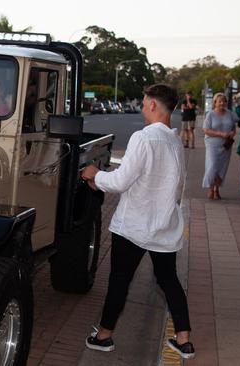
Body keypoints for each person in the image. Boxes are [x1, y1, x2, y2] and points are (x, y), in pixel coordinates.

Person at [81, 84, 194, 359]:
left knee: (120, 281)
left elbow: (120, 181)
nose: (143, 106)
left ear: (154, 104)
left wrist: (95, 174)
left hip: (133, 225)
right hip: (164, 226)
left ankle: (104, 336)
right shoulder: (174, 140)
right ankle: (184, 339)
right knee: (169, 281)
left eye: (145, 102)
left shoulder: (143, 138)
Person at [202, 93, 237, 200]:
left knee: (222, 168)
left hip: (226, 145)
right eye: (220, 101)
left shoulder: (230, 113)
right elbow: (206, 130)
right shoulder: (210, 114)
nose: (222, 103)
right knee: (212, 166)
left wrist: (232, 133)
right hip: (212, 144)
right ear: (215, 103)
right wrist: (220, 134)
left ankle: (217, 189)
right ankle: (210, 188)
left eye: (224, 101)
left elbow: (234, 127)